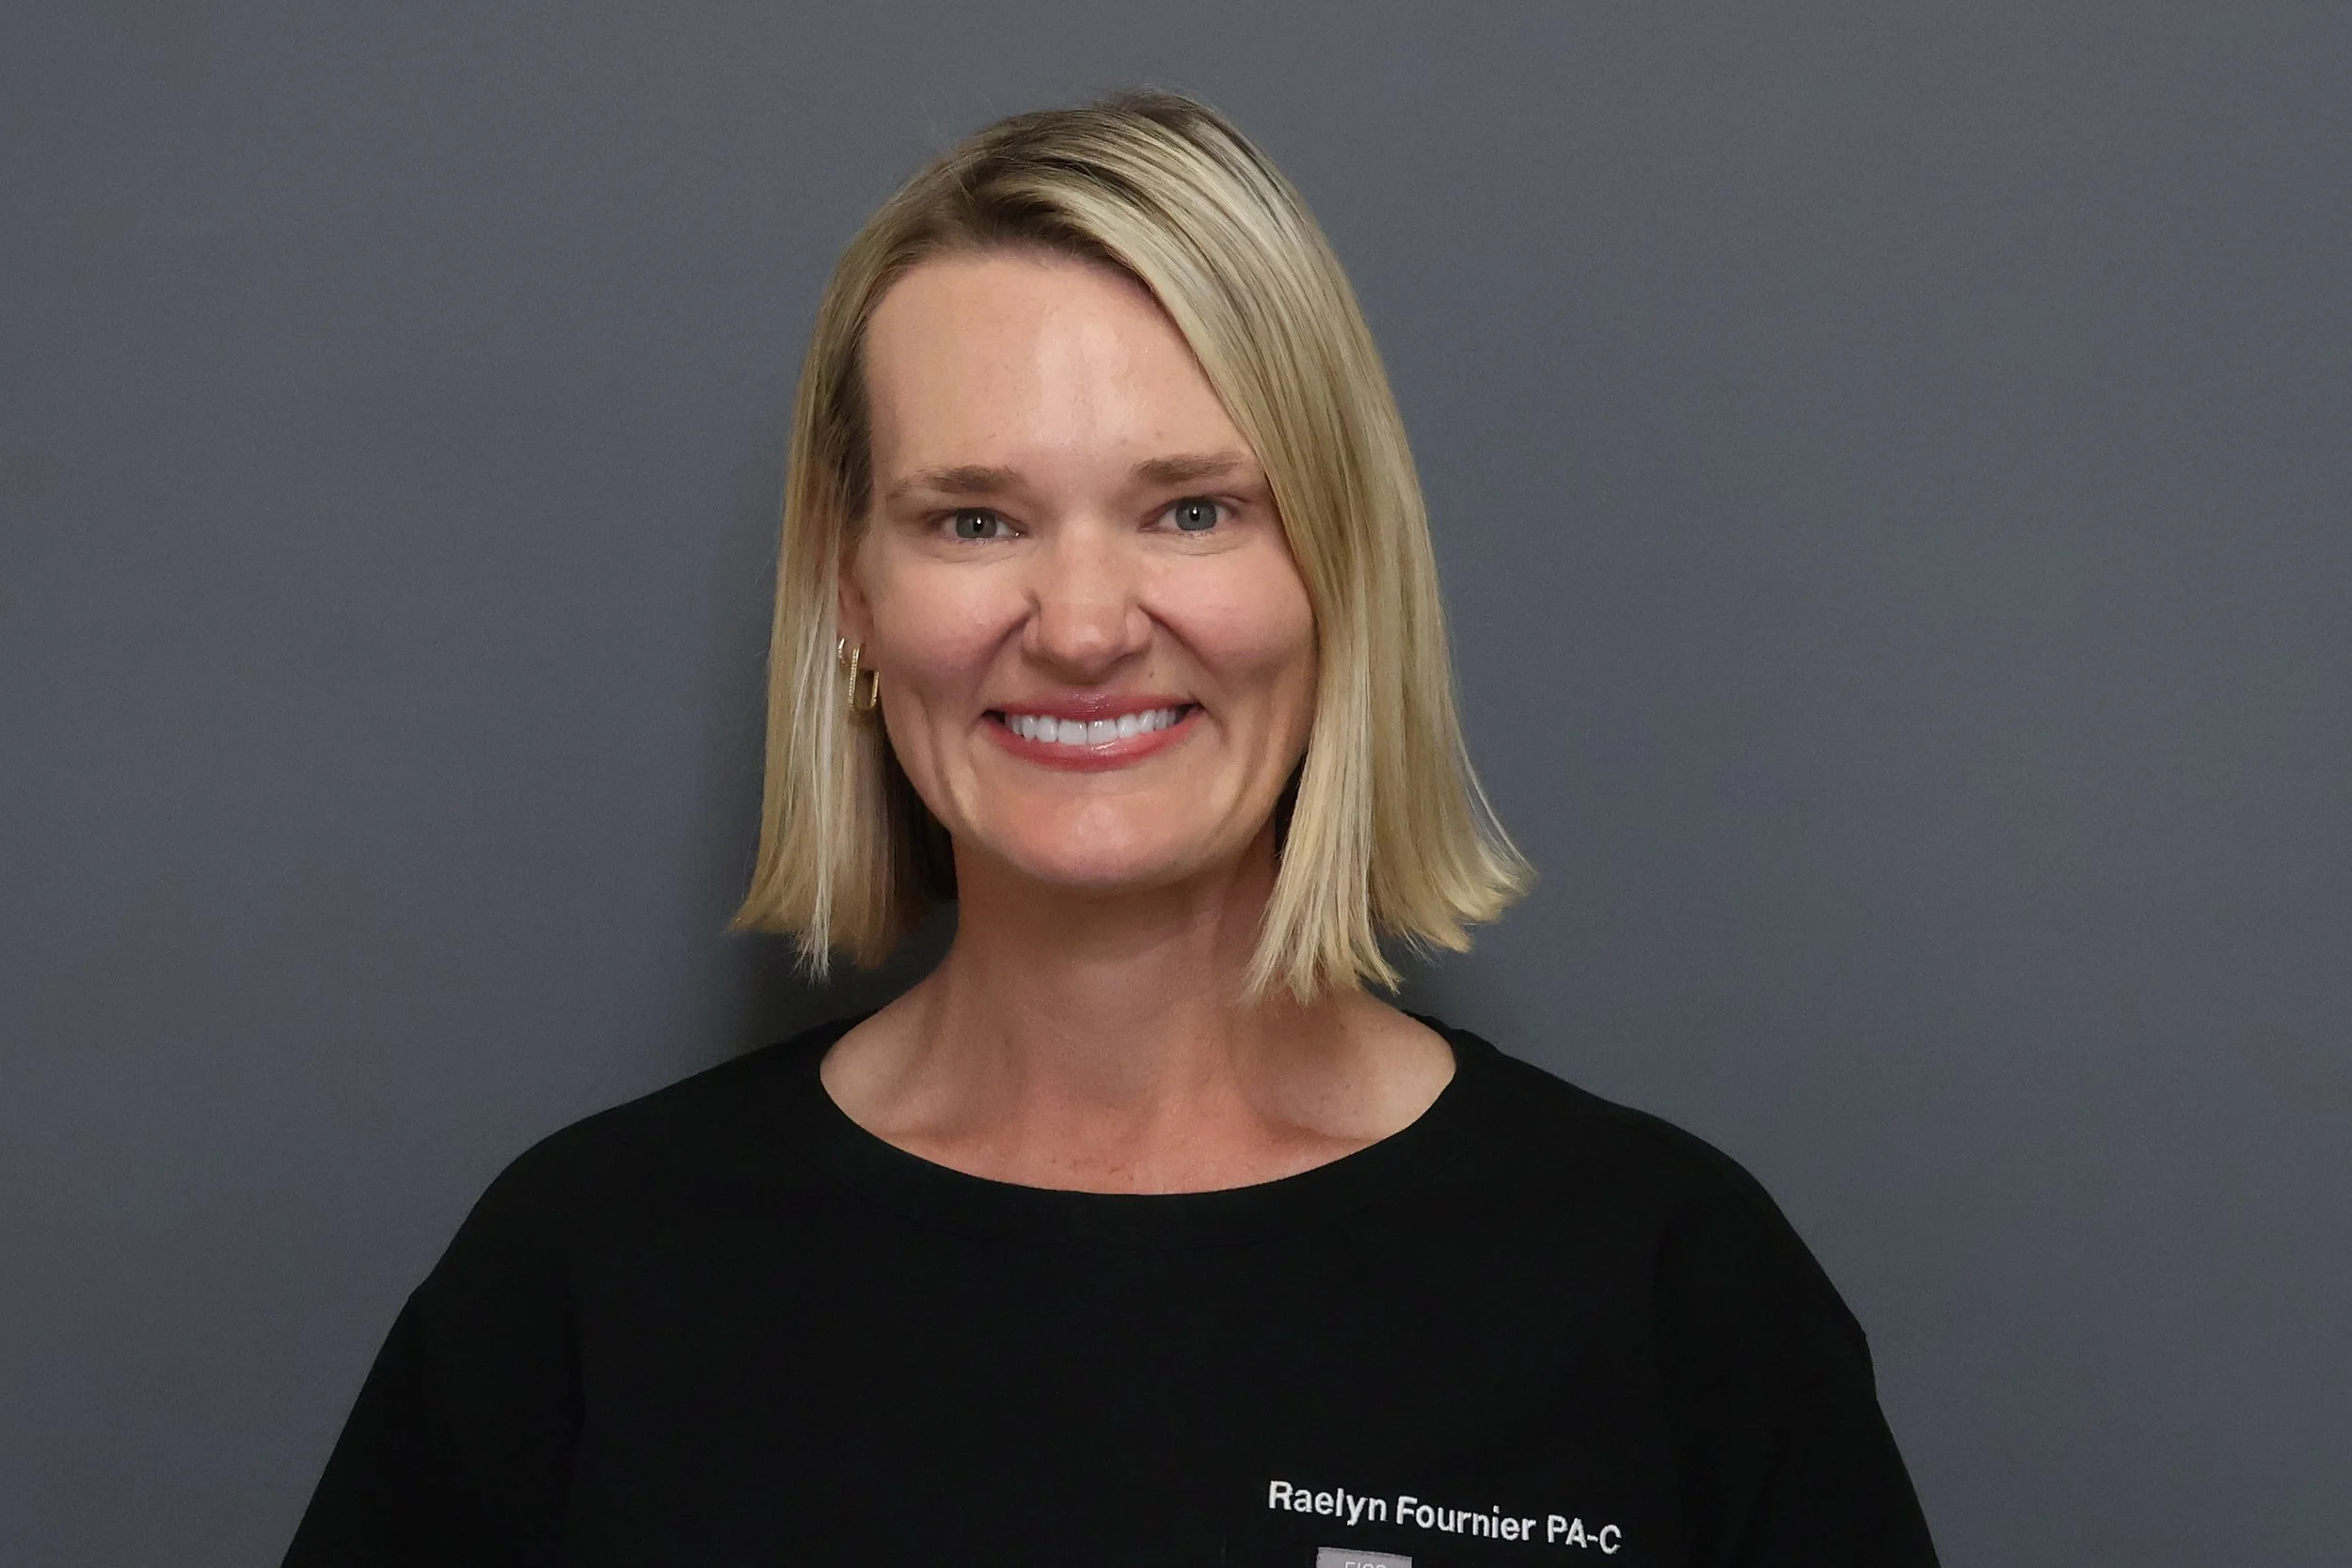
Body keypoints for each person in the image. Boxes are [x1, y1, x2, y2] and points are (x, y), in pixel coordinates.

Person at [284, 91, 1939, 1566]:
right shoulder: (586, 1280)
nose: (1081, 624)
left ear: (1338, 568)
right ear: (853, 590)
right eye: (976, 516)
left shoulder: (1663, 1288)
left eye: (1193, 509)